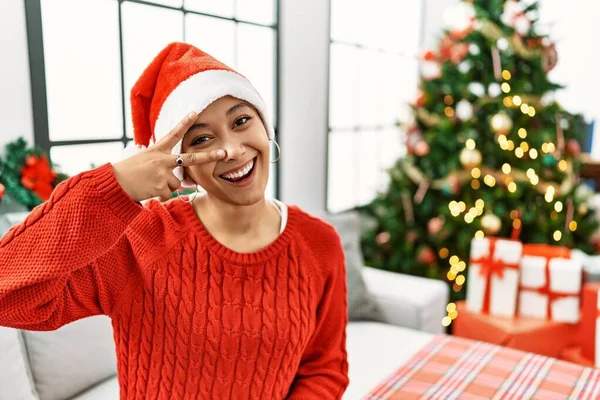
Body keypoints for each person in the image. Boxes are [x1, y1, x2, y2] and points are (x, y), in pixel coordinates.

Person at [0, 42, 349, 399]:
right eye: (201, 139)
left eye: (241, 120)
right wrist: (111, 187)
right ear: (182, 167)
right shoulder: (140, 239)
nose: (230, 149)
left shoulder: (319, 243)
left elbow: (324, 368)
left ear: (265, 124)